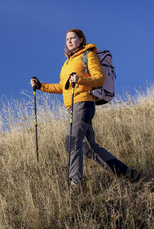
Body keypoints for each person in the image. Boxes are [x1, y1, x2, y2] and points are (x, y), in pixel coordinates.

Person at [30, 29, 140, 192]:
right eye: (67, 39)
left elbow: (99, 78)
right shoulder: (67, 63)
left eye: (72, 38)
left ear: (81, 39)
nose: (69, 41)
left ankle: (75, 186)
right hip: (73, 106)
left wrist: (79, 79)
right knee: (89, 147)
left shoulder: (88, 55)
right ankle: (127, 173)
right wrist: (41, 86)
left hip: (83, 103)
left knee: (72, 142)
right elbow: (63, 87)